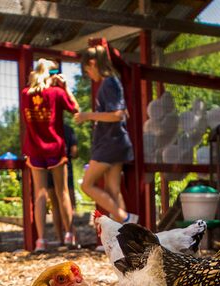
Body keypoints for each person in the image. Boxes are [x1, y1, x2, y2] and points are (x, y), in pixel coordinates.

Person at [21, 59, 80, 252]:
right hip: (55, 148)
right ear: (49, 73)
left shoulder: (25, 94)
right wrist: (65, 86)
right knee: (63, 192)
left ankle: (41, 241)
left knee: (40, 194)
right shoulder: (56, 93)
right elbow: (76, 110)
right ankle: (70, 235)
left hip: (34, 149)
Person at [75, 44, 137, 225]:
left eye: (87, 70)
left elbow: (117, 115)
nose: (89, 75)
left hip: (110, 144)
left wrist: (88, 116)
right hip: (117, 142)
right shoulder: (112, 82)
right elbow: (124, 113)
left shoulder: (108, 82)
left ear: (93, 63)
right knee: (112, 190)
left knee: (86, 185)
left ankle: (125, 219)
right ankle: (126, 232)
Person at [47, 122, 78, 244]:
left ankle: (60, 239)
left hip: (48, 167)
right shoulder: (68, 129)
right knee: (69, 203)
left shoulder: (45, 129)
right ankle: (71, 236)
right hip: (65, 169)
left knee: (55, 205)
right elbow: (74, 152)